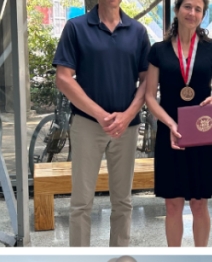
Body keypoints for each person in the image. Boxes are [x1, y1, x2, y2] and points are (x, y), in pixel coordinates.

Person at [52, 0, 150, 247]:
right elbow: (63, 78)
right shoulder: (76, 27)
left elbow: (148, 80)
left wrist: (128, 115)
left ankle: (118, 259)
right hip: (87, 124)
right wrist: (99, 114)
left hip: (126, 127)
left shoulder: (137, 31)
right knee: (81, 203)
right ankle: (80, 261)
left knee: (123, 202)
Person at [144, 0, 212, 247]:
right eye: (187, 6)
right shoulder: (159, 50)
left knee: (200, 203)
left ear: (203, 15)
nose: (192, 13)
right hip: (171, 135)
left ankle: (200, 258)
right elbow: (149, 96)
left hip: (202, 132)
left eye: (198, 9)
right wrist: (169, 124)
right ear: (177, 10)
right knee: (172, 204)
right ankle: (174, 258)